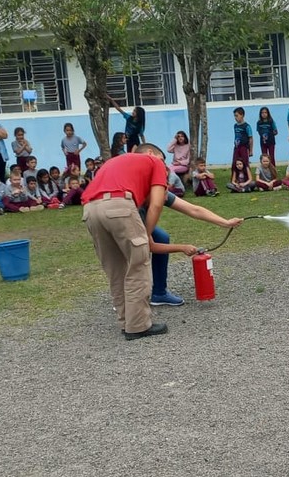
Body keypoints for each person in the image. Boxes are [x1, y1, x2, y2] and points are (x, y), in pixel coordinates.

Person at [80, 143, 177, 339]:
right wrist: (146, 233)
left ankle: (126, 322)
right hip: (119, 205)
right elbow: (157, 203)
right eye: (162, 158)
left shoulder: (114, 161)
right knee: (138, 265)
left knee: (116, 270)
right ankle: (139, 326)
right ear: (152, 153)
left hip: (90, 210)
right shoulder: (153, 161)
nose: (162, 165)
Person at [147, 188, 244, 307]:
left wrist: (226, 223)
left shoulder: (161, 191)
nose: (167, 197)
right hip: (124, 220)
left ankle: (159, 293)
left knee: (162, 237)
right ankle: (126, 299)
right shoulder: (137, 204)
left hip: (140, 219)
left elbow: (194, 210)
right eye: (165, 193)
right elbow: (150, 246)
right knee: (134, 253)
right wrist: (182, 248)